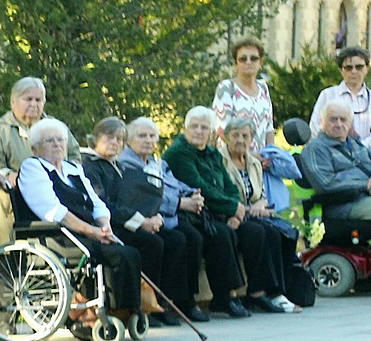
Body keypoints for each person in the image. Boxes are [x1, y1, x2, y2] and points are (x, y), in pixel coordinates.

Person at [15, 117, 143, 316]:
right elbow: (53, 211)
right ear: (35, 148)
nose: (57, 144)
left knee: (129, 252)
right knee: (118, 255)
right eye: (50, 141)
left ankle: (125, 311)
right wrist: (91, 231)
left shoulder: (73, 169)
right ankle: (102, 313)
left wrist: (104, 226)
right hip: (58, 235)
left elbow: (97, 204)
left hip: (86, 232)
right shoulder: (33, 168)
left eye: (61, 140)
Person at [83, 118, 190, 326]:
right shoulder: (91, 167)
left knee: (175, 239)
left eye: (120, 139)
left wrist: (154, 215)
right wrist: (141, 222)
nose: (115, 143)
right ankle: (143, 305)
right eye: (109, 138)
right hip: (108, 226)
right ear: (95, 139)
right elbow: (105, 205)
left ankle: (163, 304)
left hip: (131, 221)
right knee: (152, 243)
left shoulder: (116, 165)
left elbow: (137, 197)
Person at [165, 105, 254, 319]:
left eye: (204, 127)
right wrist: (233, 208)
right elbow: (200, 186)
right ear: (185, 129)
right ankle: (213, 298)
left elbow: (228, 184)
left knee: (235, 232)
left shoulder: (212, 153)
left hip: (212, 213)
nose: (199, 131)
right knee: (217, 235)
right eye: (194, 127)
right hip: (189, 214)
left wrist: (235, 210)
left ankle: (227, 297)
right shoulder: (179, 153)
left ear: (211, 132)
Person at [120, 117, 210, 323]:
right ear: (129, 140)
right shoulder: (126, 164)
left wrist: (192, 194)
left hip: (166, 218)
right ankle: (157, 302)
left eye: (152, 136)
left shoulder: (157, 162)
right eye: (142, 136)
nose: (148, 140)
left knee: (194, 238)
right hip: (141, 219)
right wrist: (179, 203)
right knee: (174, 241)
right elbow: (148, 195)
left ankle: (185, 301)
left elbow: (174, 184)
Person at [220, 118, 302, 313]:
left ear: (251, 140)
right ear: (226, 138)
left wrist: (260, 204)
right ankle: (257, 293)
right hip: (231, 216)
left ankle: (277, 292)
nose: (240, 140)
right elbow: (224, 195)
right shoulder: (221, 161)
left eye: (245, 136)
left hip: (255, 214)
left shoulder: (253, 162)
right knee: (257, 232)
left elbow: (262, 195)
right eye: (235, 135)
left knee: (280, 232)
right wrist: (249, 210)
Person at [0, 77, 44, 247]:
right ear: (13, 102)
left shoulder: (54, 128)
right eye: (28, 99)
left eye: (38, 99)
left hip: (46, 201)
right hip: (9, 204)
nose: (34, 104)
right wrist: (9, 175)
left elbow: (73, 155)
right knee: (11, 257)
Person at [301, 100, 371, 226]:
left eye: (343, 120)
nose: (339, 124)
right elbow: (326, 184)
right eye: (333, 119)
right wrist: (365, 184)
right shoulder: (316, 148)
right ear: (322, 122)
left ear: (350, 123)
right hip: (343, 205)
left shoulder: (356, 144)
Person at [213, 36, 274, 148]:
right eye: (243, 59)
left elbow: (269, 128)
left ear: (260, 62)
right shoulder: (226, 88)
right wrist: (249, 157)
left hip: (261, 162)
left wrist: (270, 153)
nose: (248, 62)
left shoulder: (263, 87)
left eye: (254, 58)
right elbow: (222, 131)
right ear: (236, 64)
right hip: (233, 160)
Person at [309, 46, 371, 147]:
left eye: (359, 67)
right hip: (332, 155)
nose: (354, 72)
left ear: (367, 69)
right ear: (341, 70)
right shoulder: (327, 95)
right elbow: (315, 128)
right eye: (348, 68)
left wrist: (359, 148)